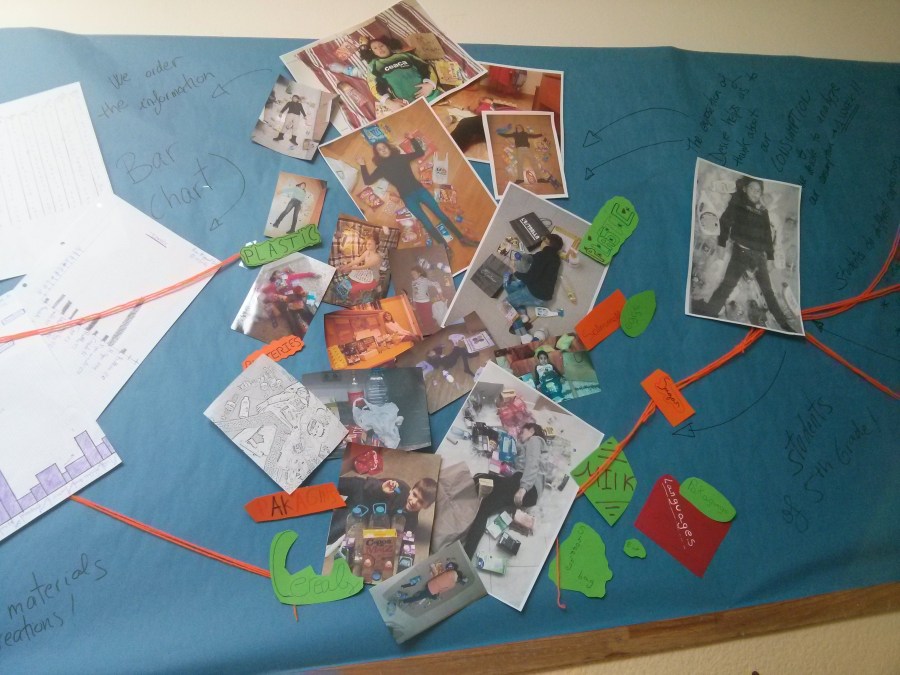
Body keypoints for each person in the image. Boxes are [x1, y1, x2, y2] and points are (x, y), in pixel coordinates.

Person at [694, 177, 797, 332]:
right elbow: (725, 221)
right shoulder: (738, 203)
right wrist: (721, 243)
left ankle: (784, 325)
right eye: (752, 188)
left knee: (768, 292)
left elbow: (767, 236)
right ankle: (708, 314)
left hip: (759, 256)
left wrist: (770, 257)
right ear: (745, 189)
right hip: (740, 252)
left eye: (758, 190)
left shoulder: (763, 211)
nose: (755, 192)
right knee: (727, 286)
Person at [357, 140, 479, 250]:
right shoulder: (381, 168)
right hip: (407, 198)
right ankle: (445, 248)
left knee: (440, 213)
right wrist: (362, 165)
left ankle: (462, 239)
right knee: (425, 222)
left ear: (388, 147)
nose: (383, 150)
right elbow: (368, 181)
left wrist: (412, 139)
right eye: (379, 149)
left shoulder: (401, 157)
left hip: (421, 191)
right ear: (378, 154)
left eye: (384, 147)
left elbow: (420, 152)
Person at [463, 422, 546, 558]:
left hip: (526, 486)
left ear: (532, 430)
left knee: (481, 480)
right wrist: (504, 436)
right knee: (485, 506)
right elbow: (516, 449)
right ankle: (466, 554)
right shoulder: (527, 446)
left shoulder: (535, 440)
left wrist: (523, 489)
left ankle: (457, 501)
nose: (520, 435)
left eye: (523, 432)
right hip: (525, 489)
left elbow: (533, 464)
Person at [358, 37, 442, 110]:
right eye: (375, 48)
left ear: (387, 46)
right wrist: (388, 102)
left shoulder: (405, 55)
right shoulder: (374, 65)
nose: (380, 49)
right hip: (407, 105)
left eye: (381, 45)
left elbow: (426, 67)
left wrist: (430, 84)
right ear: (373, 52)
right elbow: (373, 85)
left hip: (432, 95)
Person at [503, 234, 564, 310]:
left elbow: (529, 278)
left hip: (536, 294)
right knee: (508, 286)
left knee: (505, 304)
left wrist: (515, 271)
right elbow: (534, 258)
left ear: (547, 241)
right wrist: (523, 257)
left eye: (543, 240)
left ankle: (520, 314)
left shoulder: (542, 255)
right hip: (544, 293)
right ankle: (519, 301)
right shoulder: (556, 259)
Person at [397, 561, 467, 604]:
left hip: (429, 583)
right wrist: (437, 594)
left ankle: (422, 593)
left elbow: (439, 576)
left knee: (430, 595)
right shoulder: (453, 584)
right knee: (421, 598)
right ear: (458, 579)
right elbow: (442, 590)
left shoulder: (450, 572)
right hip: (431, 590)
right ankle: (404, 601)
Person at [408, 265, 444, 334]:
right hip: (417, 303)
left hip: (425, 303)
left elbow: (436, 284)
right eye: (412, 274)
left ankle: (432, 331)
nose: (413, 275)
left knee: (428, 318)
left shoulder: (424, 280)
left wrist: (441, 295)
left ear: (419, 273)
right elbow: (414, 293)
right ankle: (428, 330)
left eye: (414, 273)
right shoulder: (413, 282)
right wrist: (414, 303)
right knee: (422, 318)